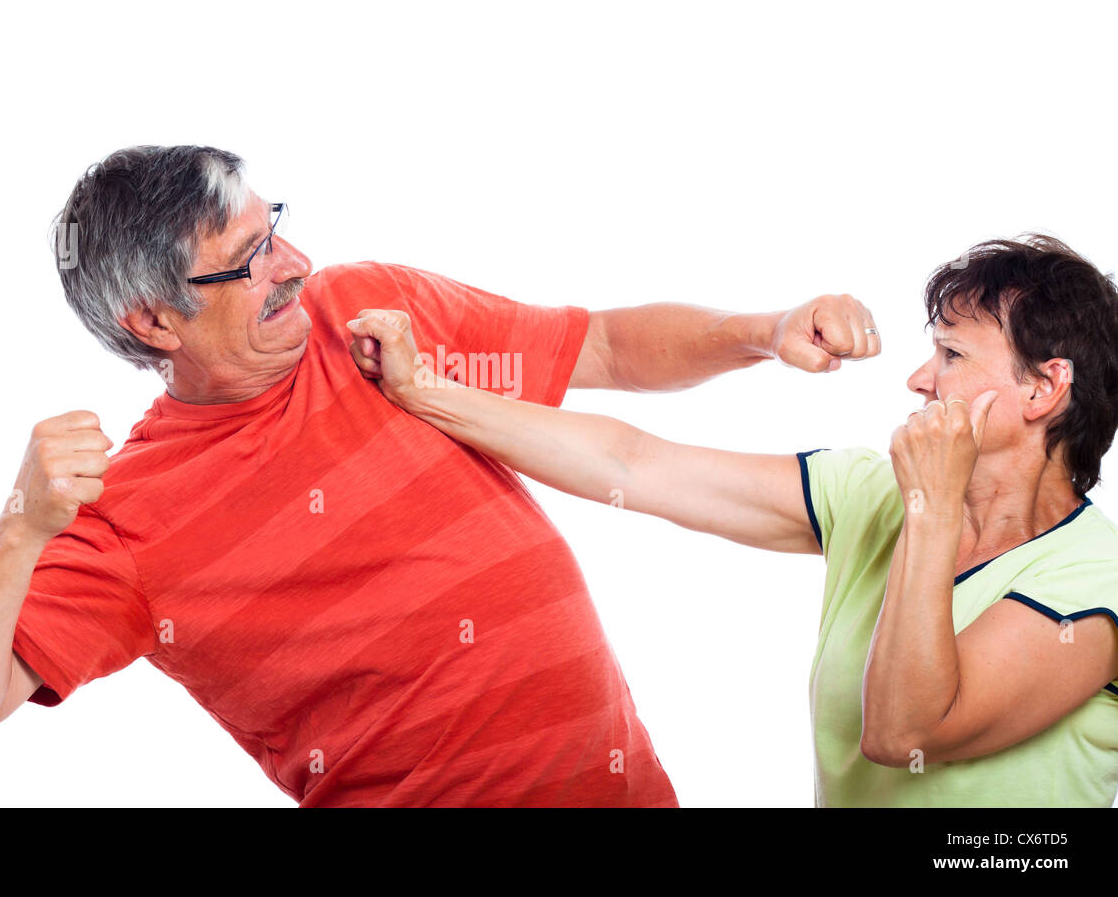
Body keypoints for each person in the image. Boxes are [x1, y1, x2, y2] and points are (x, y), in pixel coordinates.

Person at [0, 144, 879, 807]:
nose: (297, 263)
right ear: (151, 321)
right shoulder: (127, 517)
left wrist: (762, 331)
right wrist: (19, 531)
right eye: (248, 259)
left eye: (273, 227)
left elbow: (610, 346)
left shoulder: (367, 312)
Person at [347, 234, 1118, 806]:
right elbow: (632, 466)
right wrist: (427, 393)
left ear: (1044, 389)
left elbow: (904, 732)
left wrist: (929, 506)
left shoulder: (1095, 578)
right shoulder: (872, 493)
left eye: (951, 355)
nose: (918, 380)